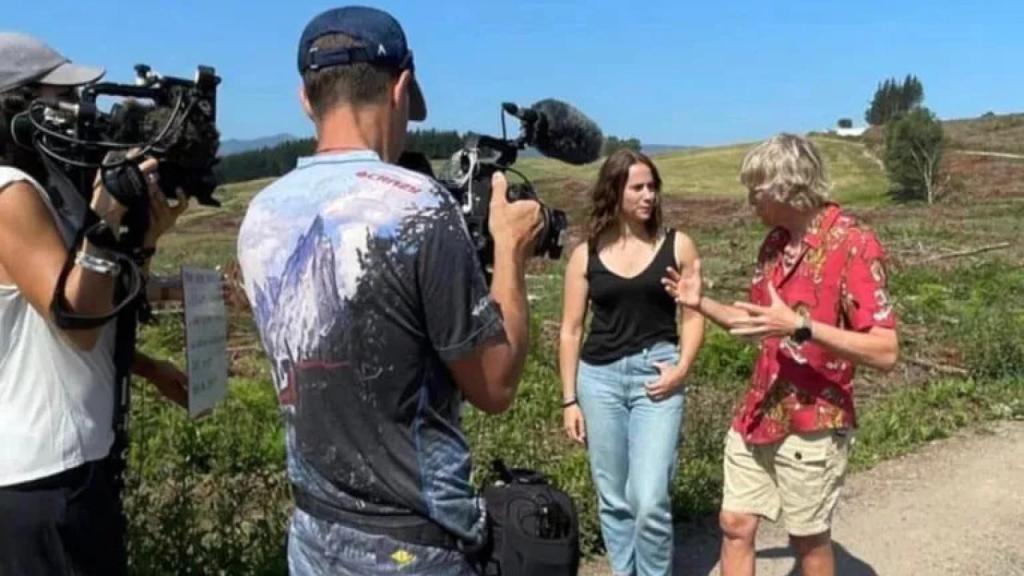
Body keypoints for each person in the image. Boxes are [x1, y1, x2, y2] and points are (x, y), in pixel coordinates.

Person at [236, 6, 542, 575]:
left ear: (306, 98)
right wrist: (509, 254)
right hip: (414, 543)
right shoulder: (420, 207)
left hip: (313, 531)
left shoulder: (260, 214)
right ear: (401, 88)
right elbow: (495, 386)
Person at [662, 134, 899, 576]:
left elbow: (886, 351)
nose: (749, 200)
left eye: (755, 189)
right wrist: (699, 302)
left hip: (815, 421)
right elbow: (752, 322)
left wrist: (801, 326)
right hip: (758, 411)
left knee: (807, 540)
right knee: (734, 524)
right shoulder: (772, 245)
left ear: (784, 186)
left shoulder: (854, 243)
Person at [0, 32, 190, 574]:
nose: (79, 114)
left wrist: (145, 238)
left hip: (69, 468)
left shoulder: (43, 187)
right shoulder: (9, 191)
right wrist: (105, 217)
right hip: (40, 481)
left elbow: (86, 309)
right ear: (18, 109)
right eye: (59, 100)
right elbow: (76, 321)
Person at [559, 149, 705, 576]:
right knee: (614, 498)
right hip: (598, 380)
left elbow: (693, 317)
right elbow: (570, 330)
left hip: (657, 376)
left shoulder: (678, 246)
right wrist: (570, 400)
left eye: (653, 186)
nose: (649, 196)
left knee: (650, 498)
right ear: (615, 191)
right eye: (638, 187)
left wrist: (682, 368)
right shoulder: (586, 255)